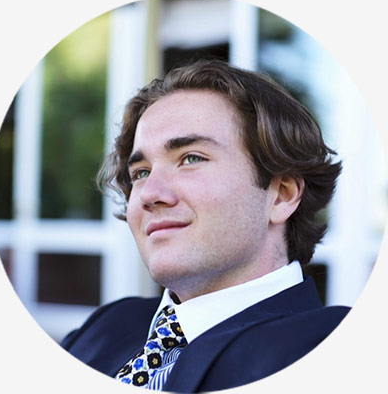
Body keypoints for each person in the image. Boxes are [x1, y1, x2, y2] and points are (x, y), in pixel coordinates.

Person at [61, 59, 350, 392]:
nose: (149, 194)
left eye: (191, 158)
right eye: (141, 173)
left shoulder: (333, 351)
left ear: (281, 195)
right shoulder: (102, 328)